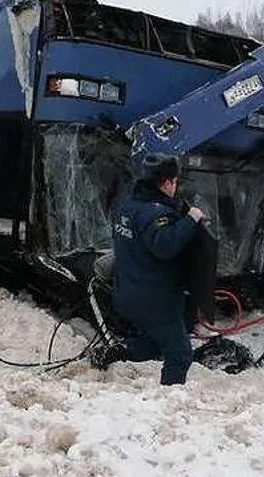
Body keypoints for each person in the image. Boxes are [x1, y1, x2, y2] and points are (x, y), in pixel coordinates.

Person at [89, 154, 209, 385]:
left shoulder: (128, 207)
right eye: (174, 182)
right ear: (165, 183)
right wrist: (191, 220)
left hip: (128, 292)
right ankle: (167, 405)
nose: (176, 186)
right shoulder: (155, 213)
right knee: (180, 353)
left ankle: (119, 351)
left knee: (158, 343)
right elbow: (165, 246)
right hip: (155, 300)